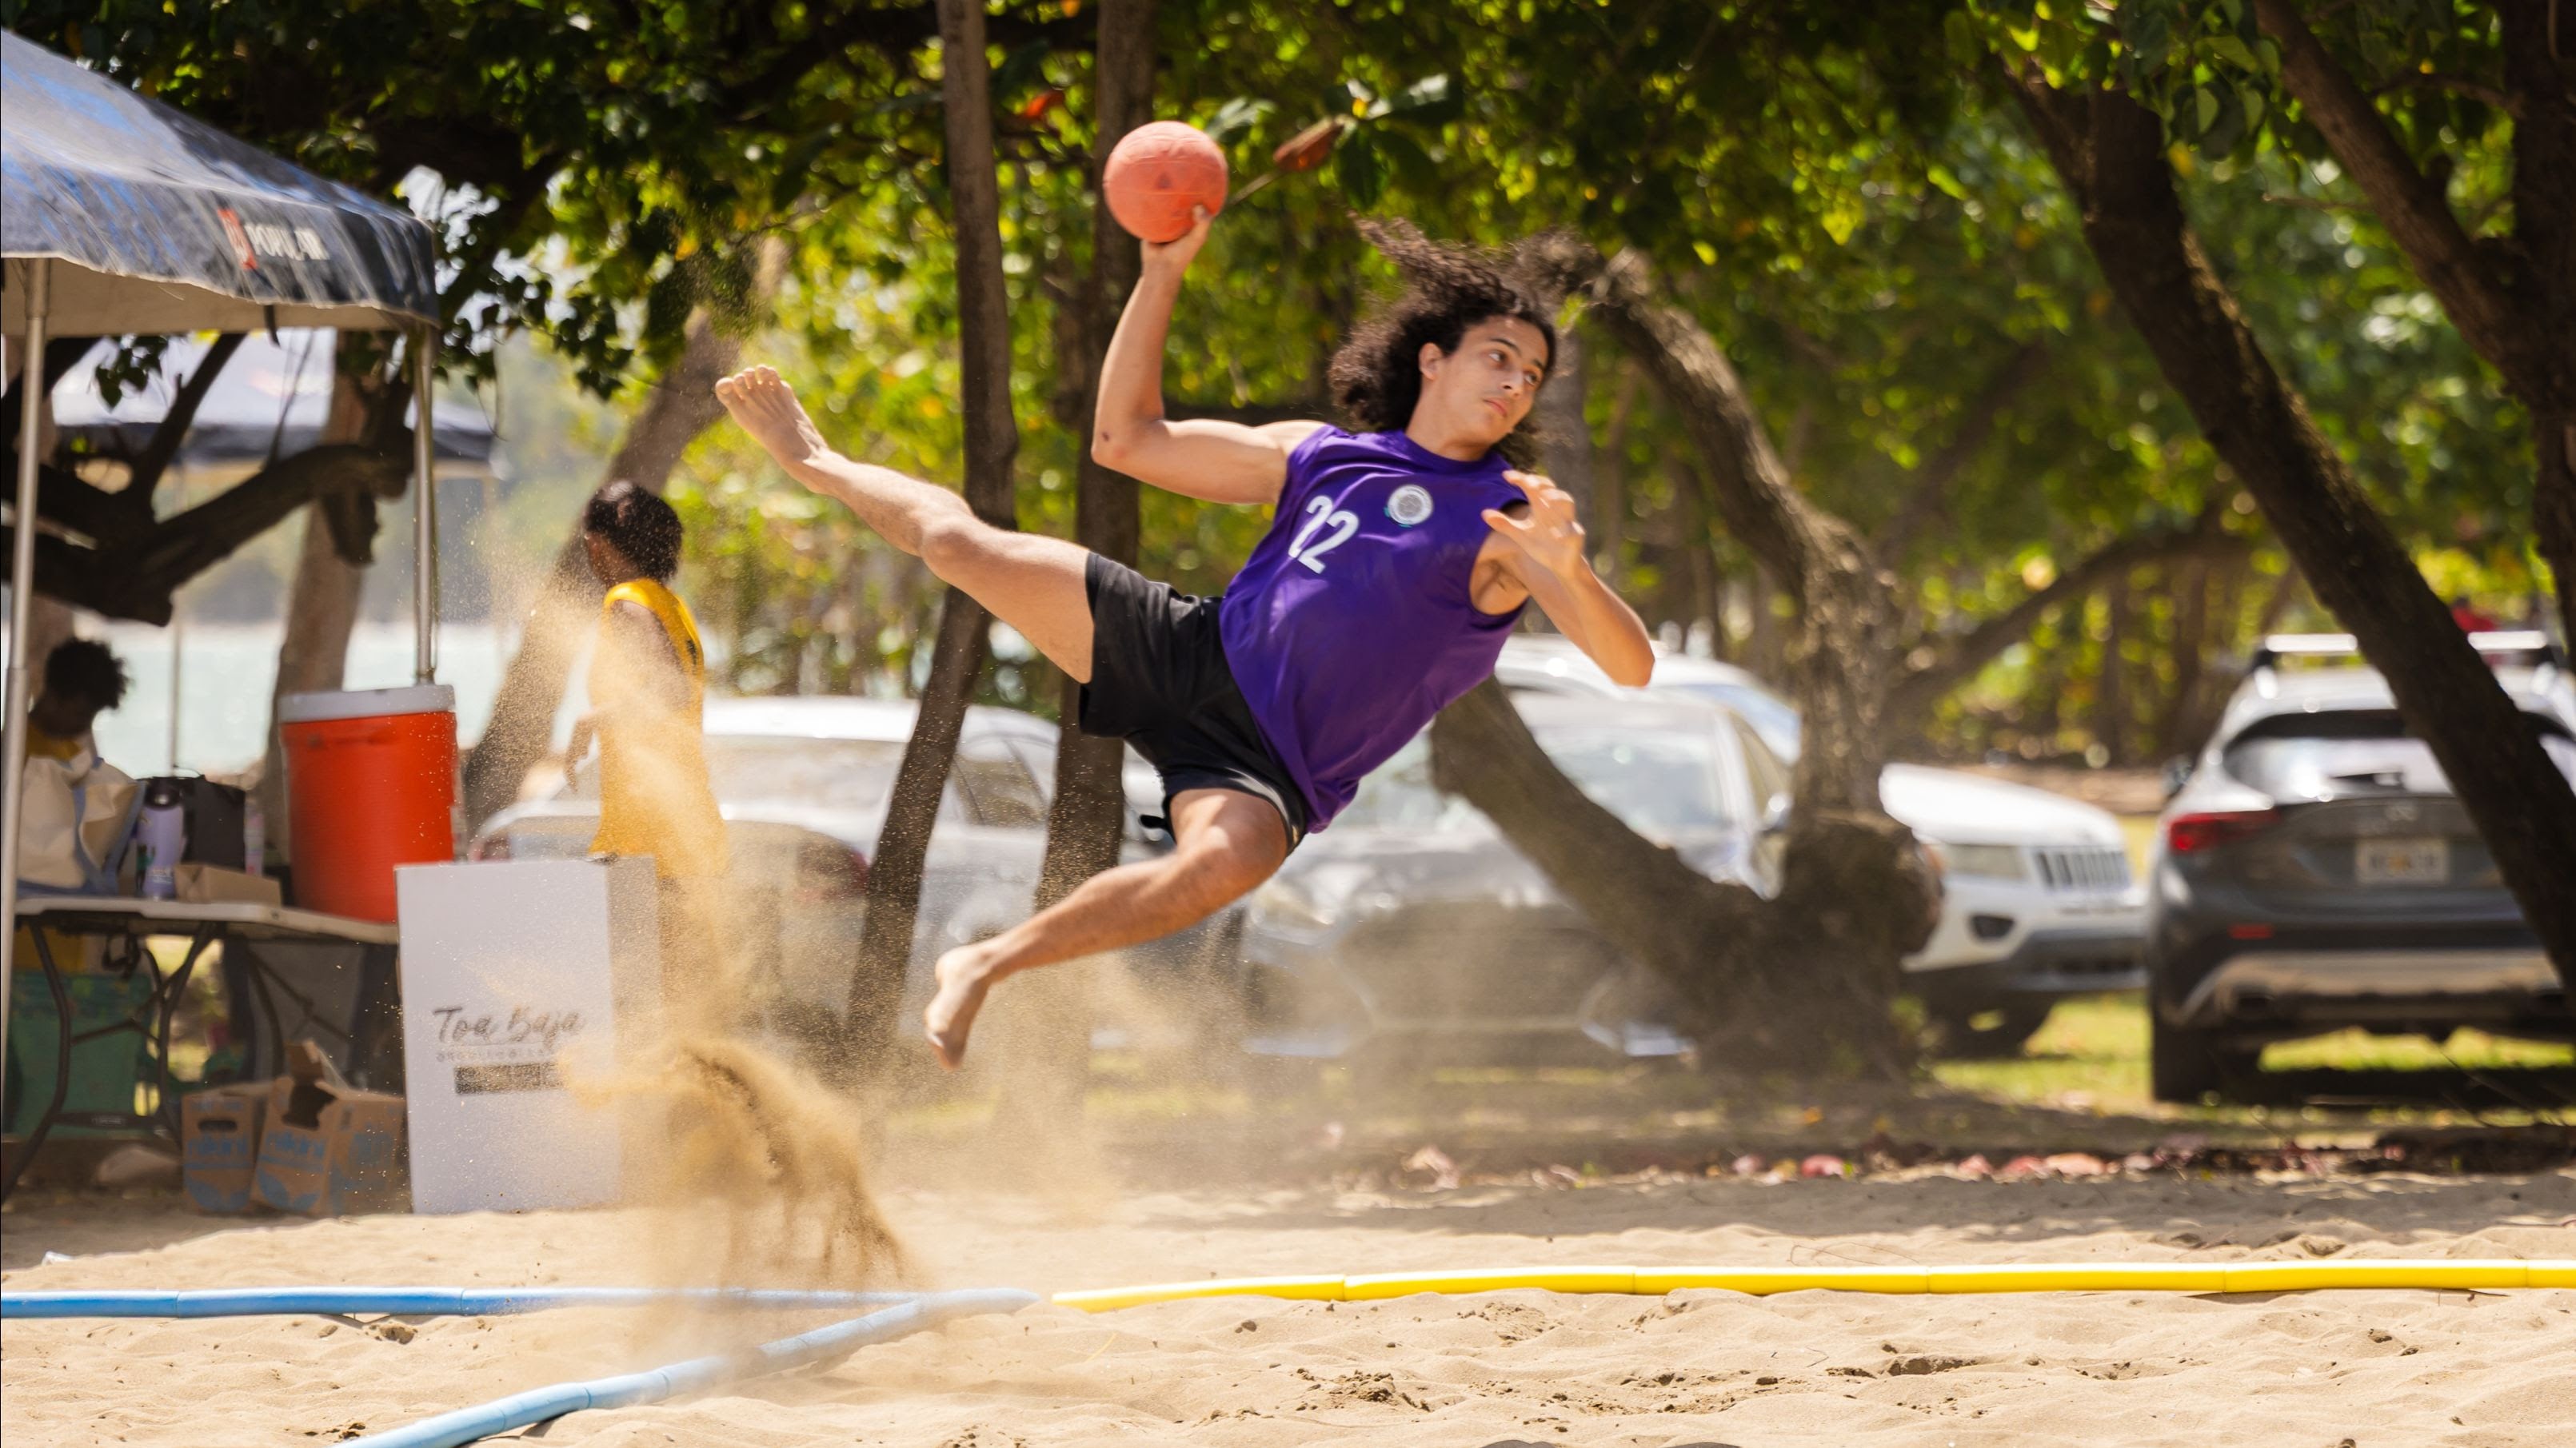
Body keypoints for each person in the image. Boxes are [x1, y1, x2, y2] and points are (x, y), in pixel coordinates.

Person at [715, 213, 1652, 1068]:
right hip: (1188, 649)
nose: (1514, 384)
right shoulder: (1320, 453)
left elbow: (1630, 666)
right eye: (1497, 357)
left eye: (1530, 376)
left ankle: (985, 961)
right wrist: (1161, 269)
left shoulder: (1509, 518)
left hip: (1265, 764)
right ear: (1432, 361)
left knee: (1209, 870)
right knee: (960, 541)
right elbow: (1126, 439)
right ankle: (820, 461)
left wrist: (1567, 573)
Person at [563, 481, 730, 998]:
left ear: (596, 542)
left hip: (649, 841)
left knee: (643, 1003)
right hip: (687, 829)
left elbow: (669, 689)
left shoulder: (626, 602)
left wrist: (592, 719)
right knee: (683, 1001)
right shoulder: (670, 606)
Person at [26, 637, 129, 764]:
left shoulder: (75, 755)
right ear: (54, 696)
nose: (85, 726)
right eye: (81, 714)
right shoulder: (12, 749)